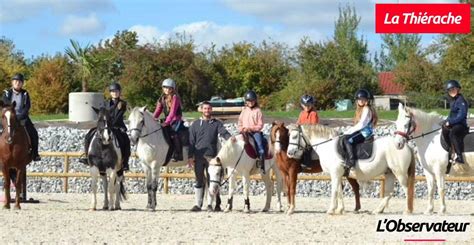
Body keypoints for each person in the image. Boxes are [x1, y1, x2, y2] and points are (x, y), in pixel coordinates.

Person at [188, 101, 235, 212]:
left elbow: (223, 132)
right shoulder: (195, 124)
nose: (207, 111)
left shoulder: (216, 123)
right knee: (199, 180)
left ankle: (210, 204)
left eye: (209, 109)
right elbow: (191, 141)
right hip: (198, 157)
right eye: (205, 109)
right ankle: (198, 204)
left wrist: (230, 138)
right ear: (201, 110)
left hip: (212, 158)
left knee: (212, 181)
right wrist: (190, 156)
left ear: (211, 110)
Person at [79, 82, 130, 171]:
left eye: (116, 91)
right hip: (105, 126)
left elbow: (118, 116)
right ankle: (87, 157)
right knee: (88, 135)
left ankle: (125, 162)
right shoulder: (105, 103)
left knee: (126, 140)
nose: (115, 93)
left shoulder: (122, 103)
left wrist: (111, 124)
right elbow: (102, 114)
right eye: (113, 91)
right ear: (110, 93)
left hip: (117, 127)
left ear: (119, 92)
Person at [2, 73, 41, 161]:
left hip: (22, 117)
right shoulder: (6, 93)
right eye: (16, 81)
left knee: (34, 133)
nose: (17, 83)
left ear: (22, 83)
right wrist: (12, 116)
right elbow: (5, 104)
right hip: (9, 117)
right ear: (12, 82)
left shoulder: (25, 93)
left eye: (20, 82)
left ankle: (35, 153)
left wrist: (20, 117)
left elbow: (27, 107)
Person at [342, 89, 378, 177]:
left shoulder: (366, 109)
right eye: (359, 99)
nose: (361, 101)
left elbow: (362, 124)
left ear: (367, 100)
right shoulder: (361, 109)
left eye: (363, 99)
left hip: (365, 133)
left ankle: (351, 161)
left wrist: (348, 131)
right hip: (361, 131)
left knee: (348, 140)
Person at [153, 78, 184, 161]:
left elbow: (172, 112)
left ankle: (178, 154)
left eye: (169, 88)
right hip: (168, 119)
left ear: (172, 89)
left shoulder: (175, 97)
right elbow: (158, 110)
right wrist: (152, 119)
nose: (167, 90)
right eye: (165, 88)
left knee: (173, 134)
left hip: (176, 119)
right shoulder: (162, 98)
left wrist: (166, 122)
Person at [442, 80, 469, 167]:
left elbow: (461, 115)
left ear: (458, 89)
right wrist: (446, 120)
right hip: (455, 123)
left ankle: (460, 157)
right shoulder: (454, 101)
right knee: (444, 130)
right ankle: (450, 150)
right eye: (450, 90)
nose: (452, 91)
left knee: (453, 133)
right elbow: (452, 114)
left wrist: (450, 122)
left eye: (453, 89)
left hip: (461, 125)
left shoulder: (461, 101)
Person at [238, 90, 265, 173]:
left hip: (254, 132)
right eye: (248, 101)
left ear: (255, 101)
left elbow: (260, 125)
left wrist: (250, 128)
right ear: (246, 101)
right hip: (244, 132)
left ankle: (261, 163)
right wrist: (241, 129)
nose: (250, 102)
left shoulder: (258, 111)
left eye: (252, 100)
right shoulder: (244, 110)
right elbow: (240, 122)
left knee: (261, 147)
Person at [296, 94, 319, 167]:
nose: (307, 107)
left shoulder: (313, 113)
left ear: (312, 105)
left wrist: (303, 126)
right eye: (305, 105)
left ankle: (307, 162)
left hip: (310, 134)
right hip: (302, 133)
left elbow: (313, 126)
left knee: (307, 146)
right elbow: (298, 122)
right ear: (302, 105)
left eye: (308, 105)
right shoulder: (302, 113)